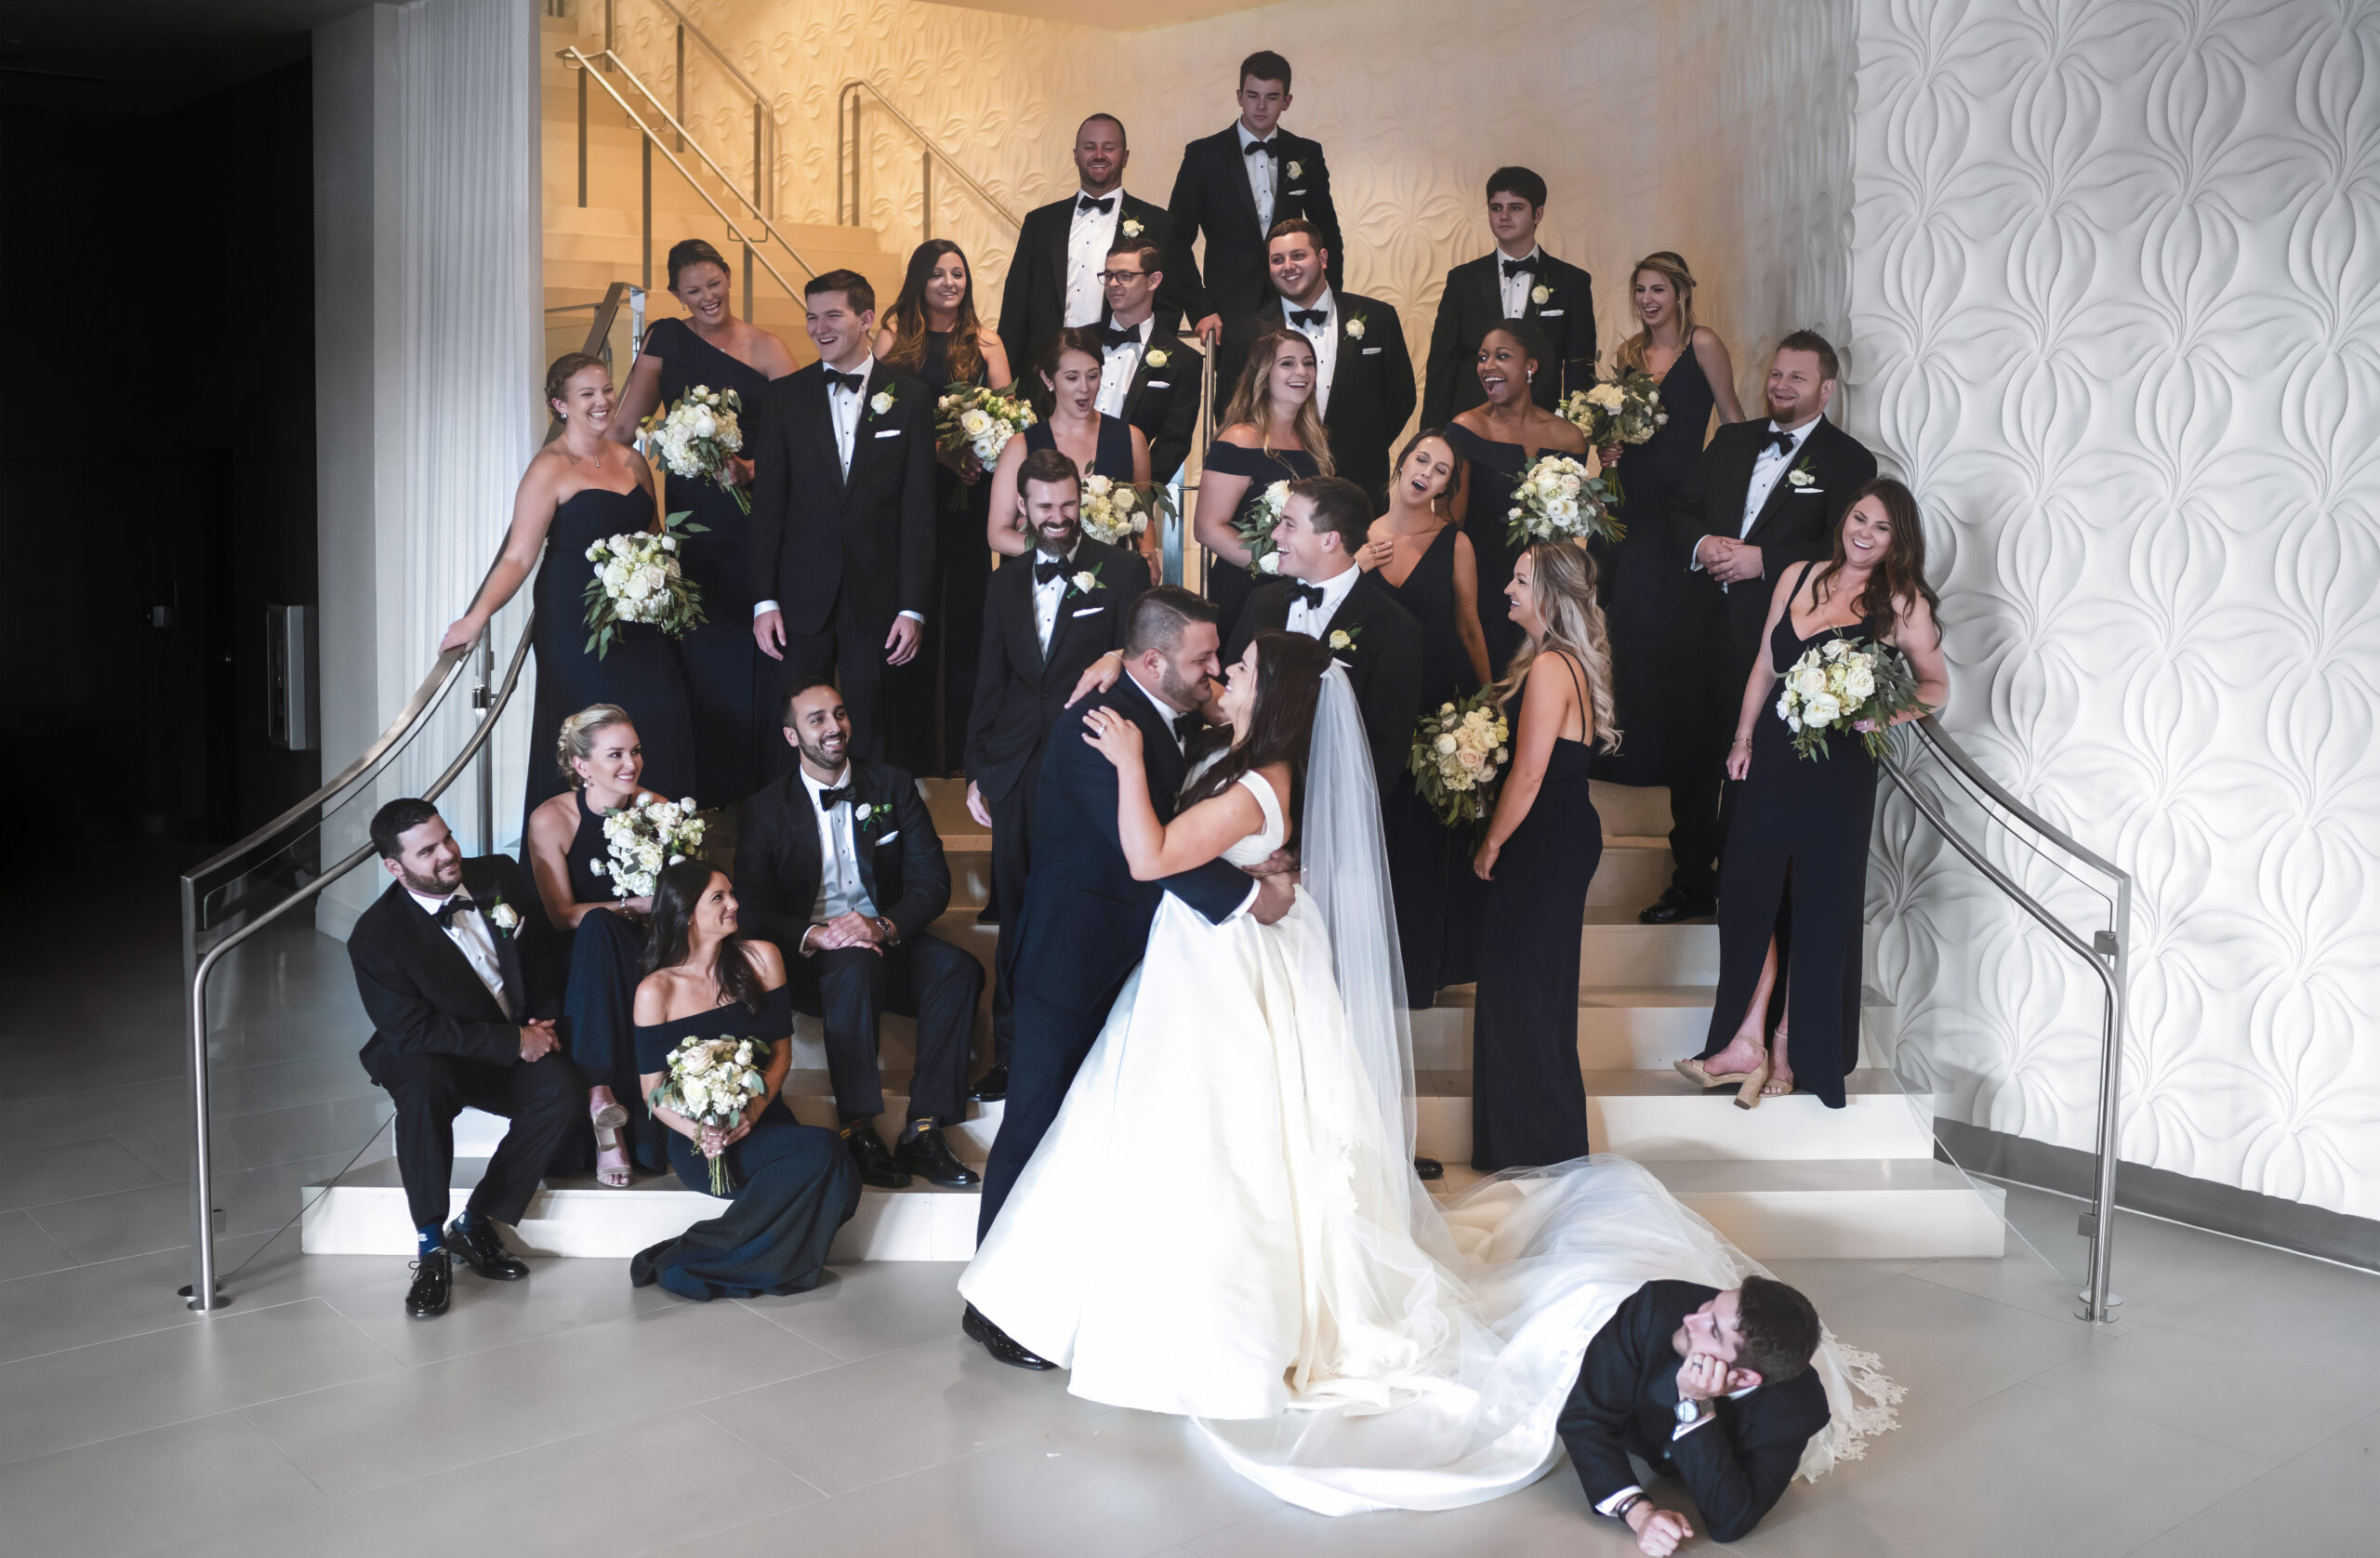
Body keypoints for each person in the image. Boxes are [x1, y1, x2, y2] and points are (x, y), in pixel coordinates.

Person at [957, 635, 1898, 1507]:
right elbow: (1192, 825)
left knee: (1226, 1147)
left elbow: (1152, 852)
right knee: (1178, 1137)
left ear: (1271, 693)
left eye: (1238, 667)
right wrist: (1128, 683)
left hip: (1218, 978)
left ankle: (1210, 1324)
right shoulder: (1232, 757)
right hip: (1200, 969)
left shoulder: (1256, 783)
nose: (1224, 675)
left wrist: (1137, 772)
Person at [965, 588, 1292, 1369]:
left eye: (1220, 657)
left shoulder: (1172, 710)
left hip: (1145, 960)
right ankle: (991, 1306)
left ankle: (1073, 1293)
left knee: (1091, 1132)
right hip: (1072, 958)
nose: (1215, 669)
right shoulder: (1098, 726)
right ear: (1152, 662)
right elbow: (1148, 854)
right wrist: (1251, 896)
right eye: (1202, 658)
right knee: (1035, 1124)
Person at [1681, 482, 1946, 1107]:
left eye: (1881, 527)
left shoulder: (1902, 602)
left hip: (1838, 773)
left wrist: (1882, 713)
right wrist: (1742, 737)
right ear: (1845, 518)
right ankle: (1745, 1038)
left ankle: (1788, 1044)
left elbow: (1936, 685)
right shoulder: (1798, 576)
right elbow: (1764, 665)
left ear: (1897, 541)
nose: (1864, 533)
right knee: (1747, 893)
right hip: (1772, 759)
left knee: (1817, 907)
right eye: (1860, 518)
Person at [1646, 329, 1877, 925]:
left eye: (1797, 377)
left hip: (1775, 642)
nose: (1781, 385)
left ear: (1826, 389)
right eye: (1777, 374)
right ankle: (1690, 881)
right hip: (1700, 626)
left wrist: (1765, 561)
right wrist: (1703, 543)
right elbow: (1681, 511)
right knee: (1693, 757)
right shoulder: (1731, 440)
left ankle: (1739, 888)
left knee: (1751, 766)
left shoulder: (1850, 460)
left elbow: (1842, 550)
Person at [734, 679, 982, 1189]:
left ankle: (923, 1129)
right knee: (853, 963)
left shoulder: (891, 785)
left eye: (839, 714)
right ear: (791, 736)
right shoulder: (765, 808)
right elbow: (753, 911)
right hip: (815, 964)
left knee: (959, 970)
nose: (834, 727)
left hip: (887, 939)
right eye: (817, 719)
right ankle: (858, 1128)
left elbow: (932, 883)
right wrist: (816, 935)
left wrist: (881, 925)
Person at [964, 447, 1152, 1101]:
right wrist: (977, 770)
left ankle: (1095, 1053)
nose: (1058, 516)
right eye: (1045, 506)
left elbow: (1146, 660)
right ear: (1022, 507)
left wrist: (1119, 652)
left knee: (1085, 907)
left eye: (1068, 504)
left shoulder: (1122, 569)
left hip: (1091, 764)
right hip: (1016, 767)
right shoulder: (1003, 583)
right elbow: (988, 680)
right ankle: (1012, 1055)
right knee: (1016, 911)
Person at [440, 352, 694, 835]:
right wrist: (476, 618)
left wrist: (663, 588)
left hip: (640, 622)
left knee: (660, 717)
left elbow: (656, 536)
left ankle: (659, 846)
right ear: (560, 405)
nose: (603, 401)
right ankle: (578, 851)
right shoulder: (548, 468)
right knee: (591, 734)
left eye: (607, 390)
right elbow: (518, 557)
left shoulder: (633, 460)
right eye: (587, 394)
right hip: (575, 625)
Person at [348, 799, 578, 1321]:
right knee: (422, 1089)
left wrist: (541, 1021)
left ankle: (475, 1223)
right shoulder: (375, 936)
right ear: (395, 866)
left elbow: (543, 955)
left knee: (561, 1091)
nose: (448, 854)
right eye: (427, 851)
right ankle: (431, 1245)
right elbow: (411, 1029)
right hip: (428, 1049)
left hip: (508, 1033)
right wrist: (514, 1042)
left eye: (447, 838)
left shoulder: (498, 874)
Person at [608, 238, 800, 805]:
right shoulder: (665, 338)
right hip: (695, 524)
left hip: (762, 512)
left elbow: (805, 437)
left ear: (729, 278)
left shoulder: (768, 346)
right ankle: (714, 788)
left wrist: (753, 469)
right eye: (693, 290)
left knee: (767, 645)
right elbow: (624, 429)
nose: (707, 296)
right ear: (676, 294)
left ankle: (775, 786)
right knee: (707, 644)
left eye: (714, 284)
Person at [629, 859, 862, 1300]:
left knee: (835, 1166)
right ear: (686, 912)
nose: (734, 904)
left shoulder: (762, 957)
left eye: (732, 893)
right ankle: (741, 1260)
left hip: (766, 1119)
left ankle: (691, 1255)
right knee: (829, 1157)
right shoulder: (655, 990)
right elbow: (652, 1091)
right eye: (718, 897)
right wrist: (701, 1132)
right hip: (702, 1144)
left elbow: (782, 1054)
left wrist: (753, 1111)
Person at [1471, 542, 1619, 1171]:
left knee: (1524, 988)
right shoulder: (1557, 662)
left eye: (1521, 580)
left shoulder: (1553, 667)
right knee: (1532, 987)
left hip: (1544, 837)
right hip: (1558, 833)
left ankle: (1534, 1143)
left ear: (1552, 598)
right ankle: (1534, 1139)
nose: (1508, 588)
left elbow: (1529, 775)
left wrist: (1492, 841)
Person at [747, 270, 934, 768]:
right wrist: (764, 600)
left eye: (833, 315)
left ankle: (871, 814)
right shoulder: (785, 397)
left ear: (866, 318)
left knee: (872, 717)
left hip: (879, 593)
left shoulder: (912, 399)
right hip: (800, 592)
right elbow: (768, 508)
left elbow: (919, 513)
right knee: (796, 716)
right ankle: (797, 815)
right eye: (812, 317)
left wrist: (912, 608)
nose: (819, 328)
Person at [1591, 252, 1742, 790]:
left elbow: (1732, 420)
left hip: (1679, 505)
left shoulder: (1703, 344)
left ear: (1680, 293)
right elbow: (1614, 432)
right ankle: (1617, 753)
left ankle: (1663, 758)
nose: (1647, 300)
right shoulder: (1628, 352)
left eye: (1657, 289)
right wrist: (1607, 452)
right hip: (1627, 500)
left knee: (1663, 625)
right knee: (1619, 621)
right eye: (1640, 290)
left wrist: (1732, 494)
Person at [1359, 430, 1492, 1006]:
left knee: (1422, 846)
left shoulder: (1455, 542)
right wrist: (1355, 566)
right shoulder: (1359, 533)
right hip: (1367, 713)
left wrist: (1488, 709)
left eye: (1441, 470)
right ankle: (1362, 971)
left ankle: (1418, 976)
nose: (1427, 473)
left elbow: (1469, 626)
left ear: (1447, 486)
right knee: (1371, 841)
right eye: (1422, 459)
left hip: (1437, 715)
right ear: (1402, 461)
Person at [875, 240, 1013, 776]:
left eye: (958, 273)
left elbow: (1011, 421)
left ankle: (962, 750)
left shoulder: (987, 342)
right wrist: (938, 451)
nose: (949, 283)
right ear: (919, 280)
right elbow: (877, 416)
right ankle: (907, 752)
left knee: (967, 616)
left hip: (970, 494)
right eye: (937, 274)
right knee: (912, 609)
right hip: (908, 493)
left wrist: (979, 453)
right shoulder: (893, 337)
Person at [1558, 1278, 1829, 1552]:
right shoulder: (1654, 1308)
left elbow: (1730, 1521)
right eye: (1711, 1305)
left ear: (1745, 1378)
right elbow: (1584, 1418)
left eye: (1712, 1330)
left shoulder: (1796, 1410)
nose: (1690, 1319)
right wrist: (1638, 1513)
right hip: (1582, 1330)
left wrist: (1695, 1406)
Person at [522, 704, 674, 1186]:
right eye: (616, 754)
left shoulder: (659, 809)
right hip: (579, 955)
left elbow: (680, 901)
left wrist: (652, 909)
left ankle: (602, 1099)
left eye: (636, 751)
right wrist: (633, 905)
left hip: (645, 952)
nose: (631, 763)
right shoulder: (552, 818)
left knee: (606, 930)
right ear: (582, 765)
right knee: (596, 929)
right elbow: (561, 915)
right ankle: (600, 1097)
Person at [1223, 476, 1423, 804]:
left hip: (1333, 806)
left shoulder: (1394, 629)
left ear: (1330, 540)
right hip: (1247, 795)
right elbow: (1228, 690)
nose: (1275, 534)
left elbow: (1386, 751)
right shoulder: (1262, 602)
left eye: (1290, 525)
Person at [1218, 218, 1416, 508]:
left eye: (1298, 255)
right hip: (1275, 483)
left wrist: (1365, 447)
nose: (1288, 266)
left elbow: (1401, 396)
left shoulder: (1378, 317)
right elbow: (1230, 408)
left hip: (1362, 483)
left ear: (1322, 258)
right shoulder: (1245, 333)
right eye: (1277, 260)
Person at [997, 113, 1198, 373]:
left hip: (1122, 369)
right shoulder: (1040, 223)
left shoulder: (1158, 223)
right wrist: (1005, 378)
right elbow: (1015, 305)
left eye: (1109, 148)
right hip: (1044, 370)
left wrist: (1146, 364)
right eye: (1090, 147)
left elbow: (1168, 305)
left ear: (1125, 157)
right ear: (1076, 155)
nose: (1099, 155)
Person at [1444, 321, 1590, 674]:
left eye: (1502, 356)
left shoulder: (1569, 438)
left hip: (1546, 590)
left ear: (1531, 365)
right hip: (1483, 589)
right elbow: (1451, 528)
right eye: (1482, 357)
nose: (1488, 366)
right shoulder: (1466, 429)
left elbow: (1567, 527)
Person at [1167, 50, 1342, 337]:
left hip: (1295, 303)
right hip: (1226, 312)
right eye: (1252, 95)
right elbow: (1175, 241)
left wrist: (1330, 299)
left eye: (1271, 97)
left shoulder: (1306, 153)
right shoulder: (1203, 155)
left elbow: (1328, 235)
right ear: (1239, 96)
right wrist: (1200, 307)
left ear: (1286, 101)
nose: (1261, 106)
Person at [1421, 166, 1596, 427]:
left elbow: (1579, 367)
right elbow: (1441, 365)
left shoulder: (1571, 281)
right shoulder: (1462, 280)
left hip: (1540, 425)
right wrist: (1432, 433)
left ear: (1538, 214)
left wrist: (1577, 433)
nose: (1504, 216)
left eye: (1515, 208)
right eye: (1496, 208)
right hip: (1471, 425)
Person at [987, 327, 1156, 581]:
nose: (1084, 388)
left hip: (1110, 581)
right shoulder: (1021, 446)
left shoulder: (1131, 438)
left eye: (1092, 376)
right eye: (1072, 378)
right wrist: (1062, 552)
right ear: (1048, 380)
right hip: (1041, 580)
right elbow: (998, 534)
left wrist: (1148, 556)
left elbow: (1143, 518)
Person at [1190, 327, 1329, 630]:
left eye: (1308, 363)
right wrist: (1278, 565)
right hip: (1248, 588)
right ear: (1263, 376)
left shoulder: (1314, 439)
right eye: (1288, 363)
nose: (1302, 371)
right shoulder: (1240, 439)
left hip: (1301, 586)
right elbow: (1207, 529)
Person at [1095, 233, 1205, 488]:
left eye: (1125, 276)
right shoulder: (1078, 342)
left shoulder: (1183, 360)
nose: (1113, 284)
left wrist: (1135, 494)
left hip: (1129, 489)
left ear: (1154, 281)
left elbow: (1174, 442)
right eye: (1108, 275)